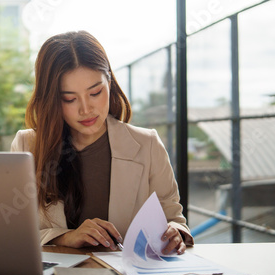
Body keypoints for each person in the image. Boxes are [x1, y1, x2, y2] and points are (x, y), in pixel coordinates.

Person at [11, 30, 194, 255]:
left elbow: (174, 219)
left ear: (109, 82)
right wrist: (66, 237)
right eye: (69, 98)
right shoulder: (26, 146)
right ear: (51, 100)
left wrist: (175, 232)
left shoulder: (148, 145)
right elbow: (12, 232)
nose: (86, 109)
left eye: (95, 92)